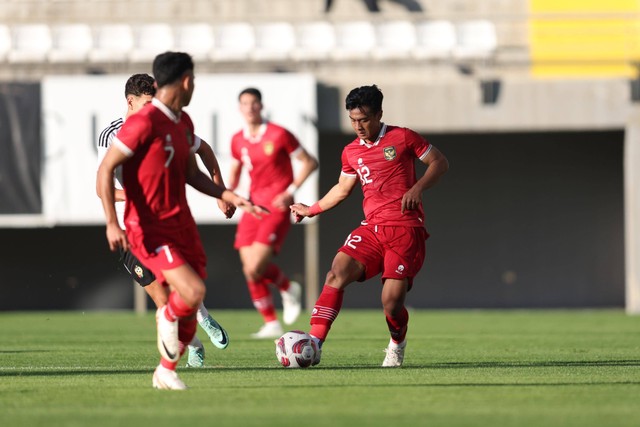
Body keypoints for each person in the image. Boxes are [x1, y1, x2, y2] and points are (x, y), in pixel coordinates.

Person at [97, 52, 267, 390]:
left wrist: (225, 193)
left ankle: (167, 361)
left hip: (181, 223)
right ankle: (167, 362)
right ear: (186, 81)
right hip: (147, 227)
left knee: (190, 299)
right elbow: (104, 172)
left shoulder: (182, 122)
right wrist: (112, 223)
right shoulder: (140, 124)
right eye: (194, 80)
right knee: (191, 291)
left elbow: (191, 173)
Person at [290, 84, 448, 367]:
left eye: (363, 120)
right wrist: (311, 209)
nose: (358, 126)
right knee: (336, 272)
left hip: (405, 229)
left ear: (378, 115)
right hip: (372, 229)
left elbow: (439, 162)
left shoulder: (403, 137)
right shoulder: (350, 151)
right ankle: (314, 342)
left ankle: (397, 342)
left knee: (391, 301)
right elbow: (342, 189)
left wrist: (418, 188)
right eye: (352, 120)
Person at [228, 87, 318, 339]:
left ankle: (288, 288)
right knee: (250, 270)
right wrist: (229, 194)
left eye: (254, 103)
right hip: (252, 206)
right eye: (244, 103)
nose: (250, 108)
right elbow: (235, 172)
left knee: (256, 265)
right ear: (240, 108)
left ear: (261, 105)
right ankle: (272, 322)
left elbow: (310, 162)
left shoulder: (279, 134)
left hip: (276, 207)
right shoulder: (237, 139)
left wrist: (291, 190)